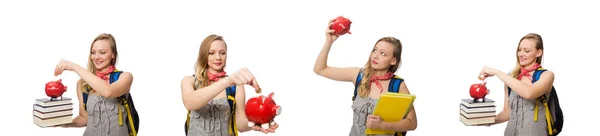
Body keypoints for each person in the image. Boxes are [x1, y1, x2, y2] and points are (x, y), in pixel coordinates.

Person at [313, 20, 418, 136]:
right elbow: (320, 69)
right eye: (375, 50)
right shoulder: (359, 75)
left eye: (383, 53)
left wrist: (383, 125)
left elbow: (412, 123)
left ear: (393, 61)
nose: (375, 56)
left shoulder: (397, 85)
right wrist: (329, 42)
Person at [181, 34, 279, 136]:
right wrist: (226, 82)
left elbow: (240, 123)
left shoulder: (235, 85)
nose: (218, 57)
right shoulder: (189, 81)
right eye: (211, 53)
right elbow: (190, 103)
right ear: (204, 55)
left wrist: (255, 122)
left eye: (222, 53)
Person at [54, 33, 134, 136]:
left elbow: (108, 91)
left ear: (113, 54)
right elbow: (84, 118)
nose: (96, 57)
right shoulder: (82, 84)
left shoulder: (125, 77)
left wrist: (74, 67)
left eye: (102, 52)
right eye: (93, 52)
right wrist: (63, 123)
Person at [478, 33, 555, 136]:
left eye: (527, 51)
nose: (521, 54)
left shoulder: (547, 75)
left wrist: (497, 72)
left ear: (538, 53)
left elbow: (529, 92)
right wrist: (487, 121)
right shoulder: (511, 77)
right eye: (519, 50)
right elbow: (507, 112)